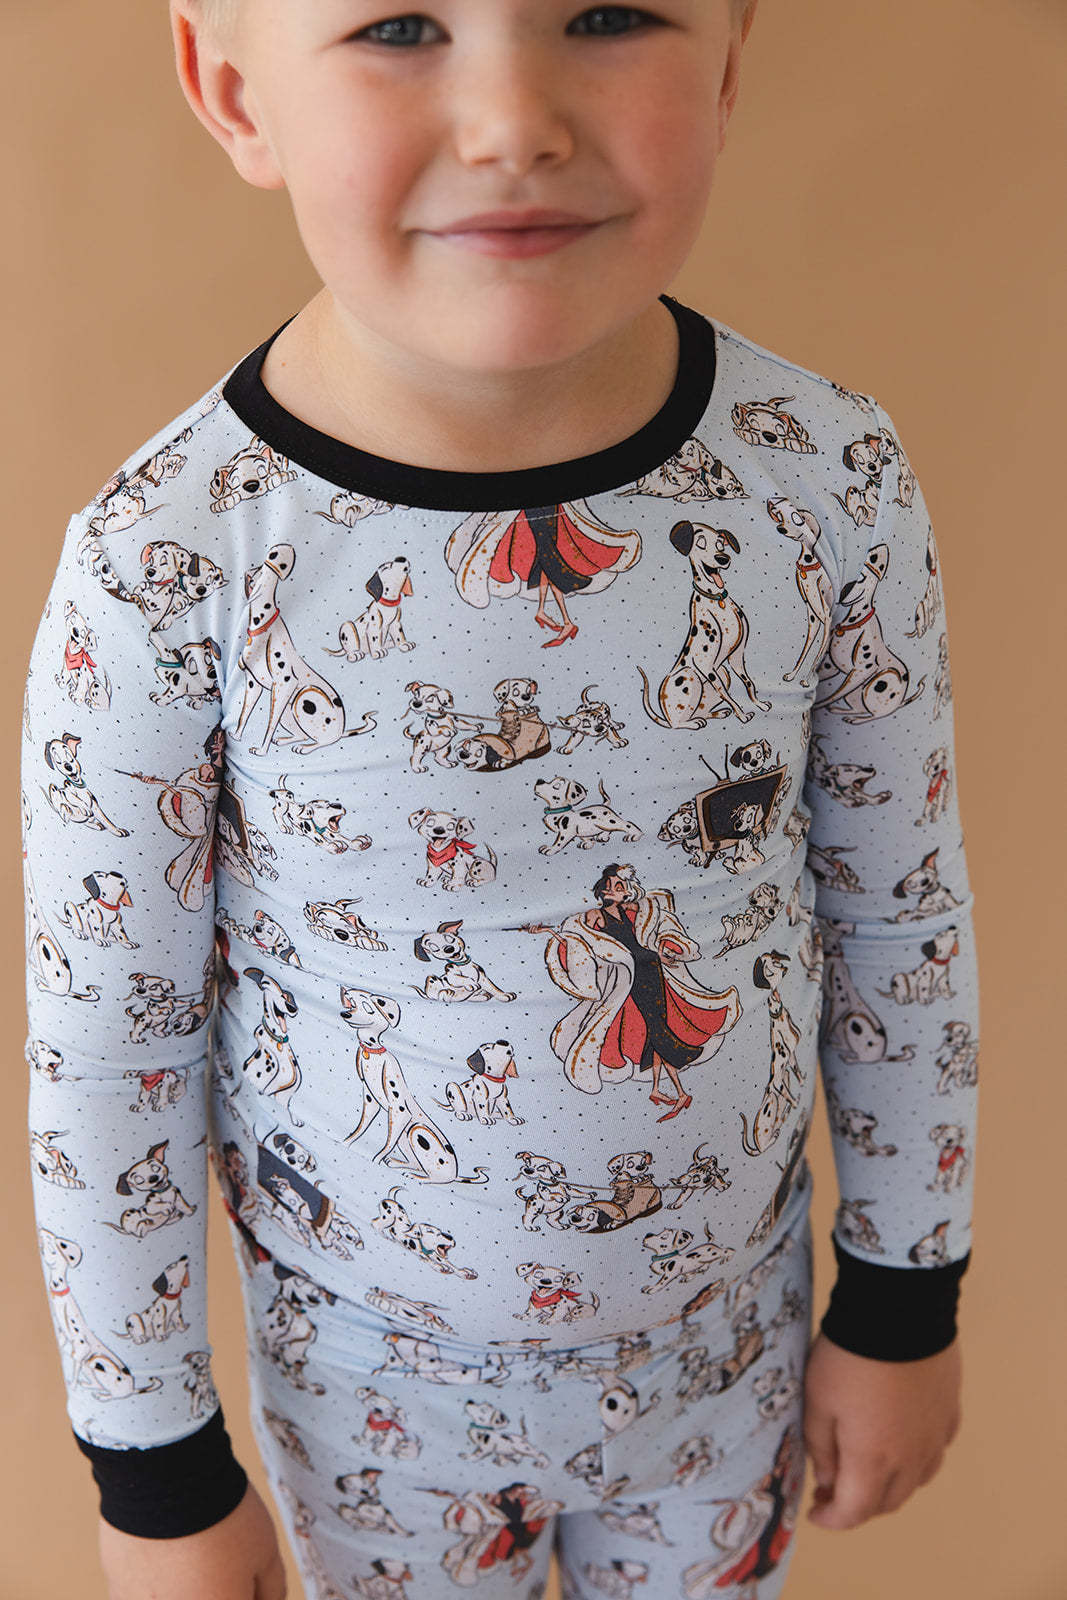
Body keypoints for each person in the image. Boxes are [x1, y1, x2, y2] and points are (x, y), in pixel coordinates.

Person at [22, 2, 978, 1596]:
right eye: (402, 25)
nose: (515, 119)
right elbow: (111, 1048)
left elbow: (900, 912)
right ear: (233, 89)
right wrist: (157, 1467)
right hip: (371, 1405)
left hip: (727, 1362)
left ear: (730, 59)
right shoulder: (166, 564)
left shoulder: (827, 478)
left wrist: (902, 1295)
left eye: (607, 14)